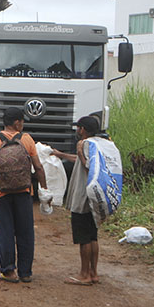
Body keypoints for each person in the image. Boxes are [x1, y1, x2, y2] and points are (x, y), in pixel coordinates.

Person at [0, 107, 48, 283]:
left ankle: (9, 271)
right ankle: (25, 272)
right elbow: (38, 167)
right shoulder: (26, 140)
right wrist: (44, 188)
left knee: (5, 232)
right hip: (24, 191)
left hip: (0, 192)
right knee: (25, 232)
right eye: (22, 121)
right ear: (17, 122)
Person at [51, 115, 109, 286]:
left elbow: (88, 165)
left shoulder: (83, 144)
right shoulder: (98, 145)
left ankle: (84, 274)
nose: (77, 130)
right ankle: (94, 272)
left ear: (82, 129)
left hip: (83, 196)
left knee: (84, 237)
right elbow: (81, 161)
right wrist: (61, 154)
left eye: (78, 128)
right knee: (93, 236)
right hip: (95, 196)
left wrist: (80, 152)